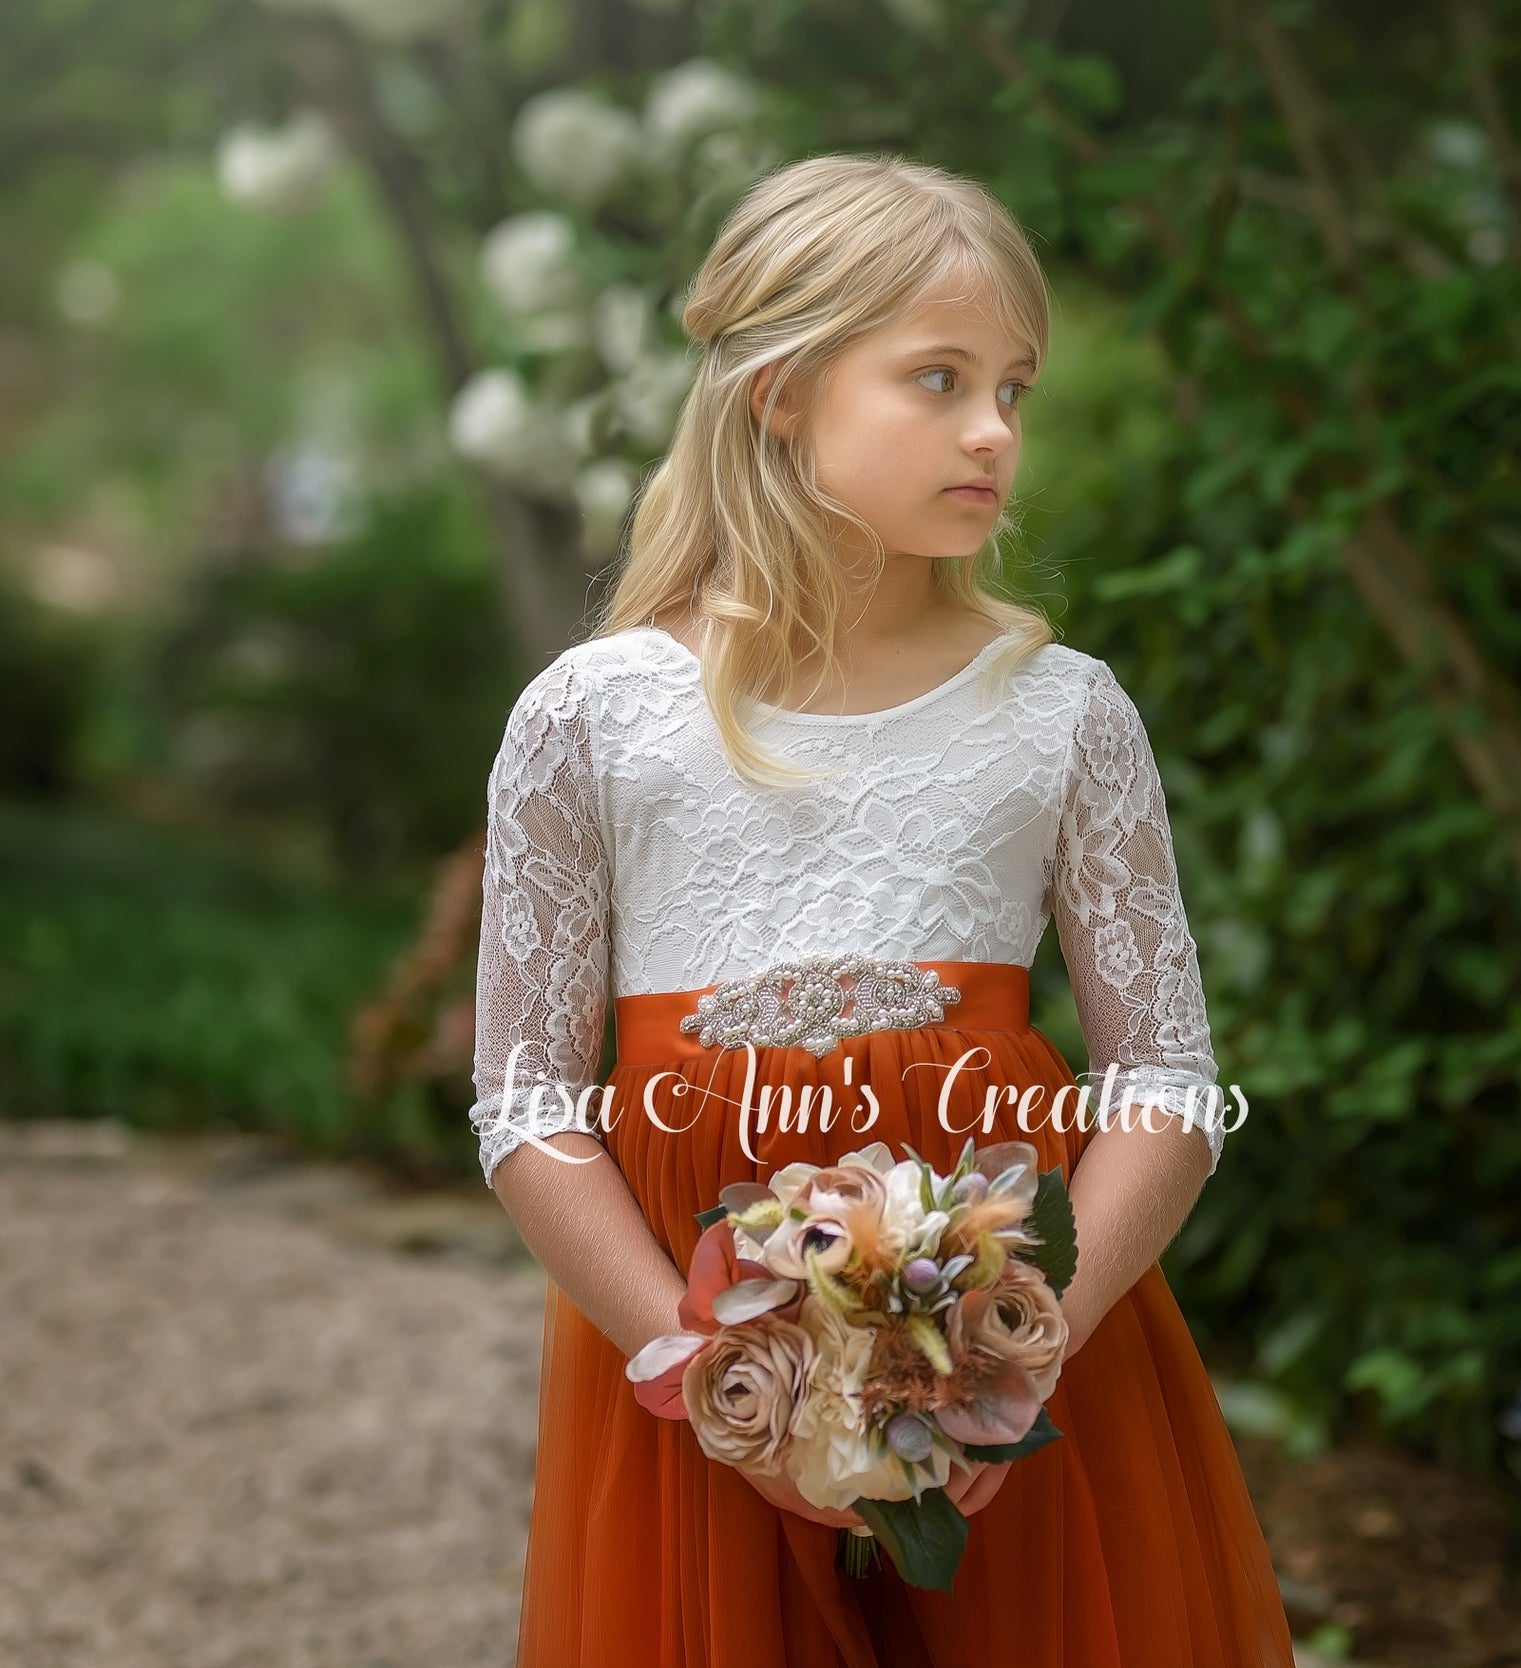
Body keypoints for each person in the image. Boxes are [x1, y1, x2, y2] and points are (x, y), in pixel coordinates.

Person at [469, 153, 1291, 1665]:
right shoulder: (593, 717)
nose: (994, 431)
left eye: (1014, 389)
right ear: (782, 392)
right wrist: (705, 1374)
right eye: (938, 378)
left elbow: (1169, 1083)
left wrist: (1013, 1358)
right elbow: (525, 1105)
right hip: (692, 1368)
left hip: (1017, 1366)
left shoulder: (1061, 714)